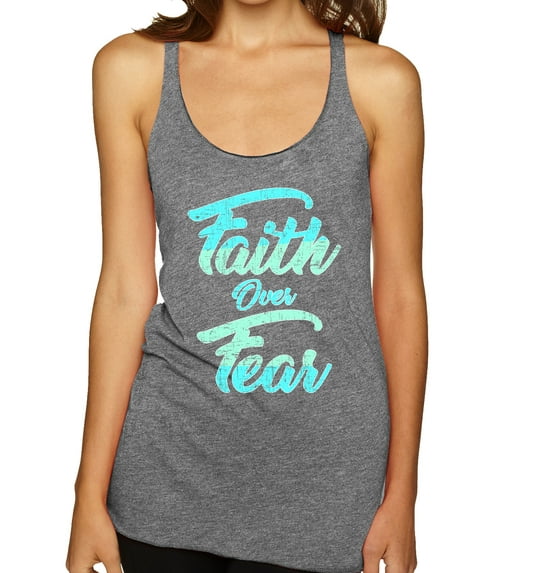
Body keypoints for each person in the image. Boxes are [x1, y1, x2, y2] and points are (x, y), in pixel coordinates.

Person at [65, 0, 427, 572]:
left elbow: (401, 298)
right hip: (166, 473)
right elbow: (124, 291)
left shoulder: (380, 82)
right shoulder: (131, 71)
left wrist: (402, 492)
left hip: (325, 486)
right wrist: (87, 492)